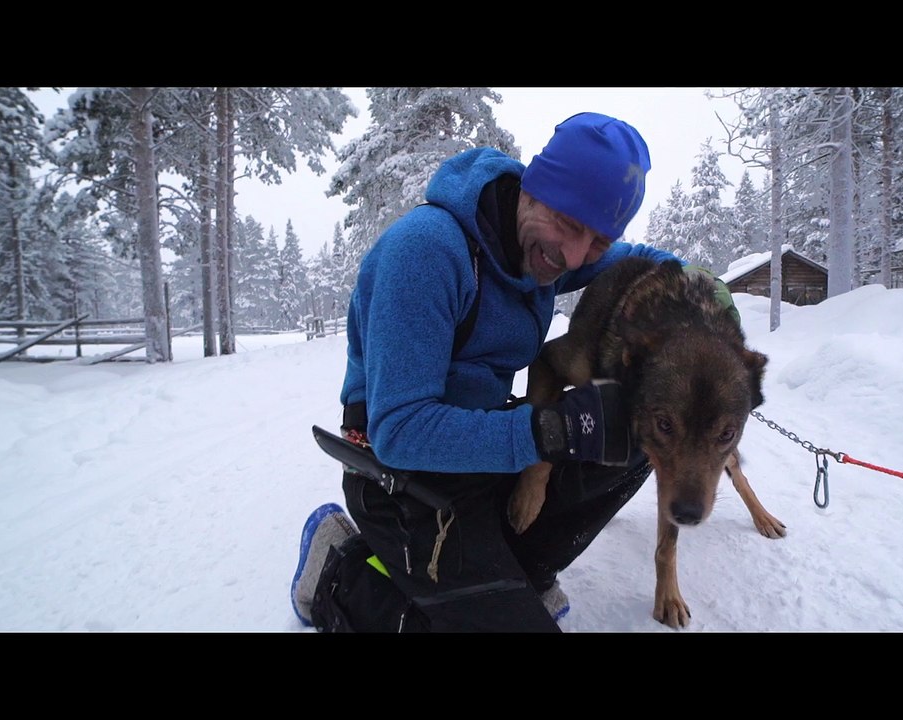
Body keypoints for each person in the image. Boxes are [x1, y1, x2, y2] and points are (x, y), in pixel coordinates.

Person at [291, 111, 682, 632]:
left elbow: (637, 258)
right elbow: (399, 431)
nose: (573, 256)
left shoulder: (545, 247)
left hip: (479, 456)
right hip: (399, 478)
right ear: (533, 189)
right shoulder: (427, 251)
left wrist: (698, 283)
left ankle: (519, 572)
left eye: (597, 243)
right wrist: (549, 432)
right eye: (567, 225)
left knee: (639, 434)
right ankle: (336, 575)